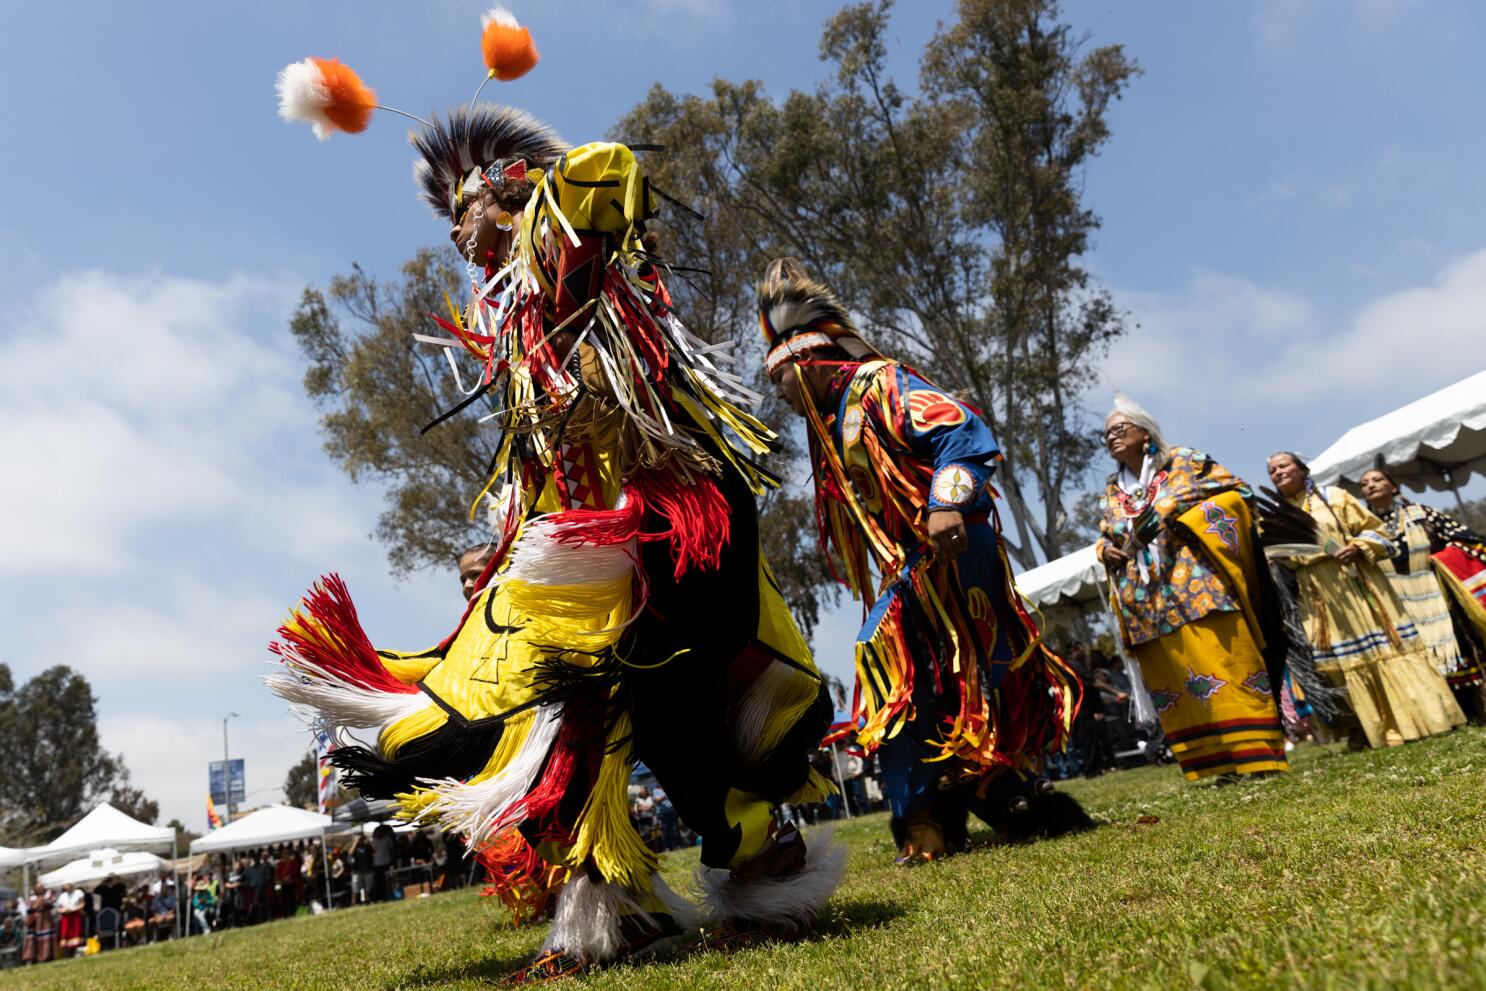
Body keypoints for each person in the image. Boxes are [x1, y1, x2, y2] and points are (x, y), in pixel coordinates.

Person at [271, 18, 843, 977]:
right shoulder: (514, 331)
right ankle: (617, 904)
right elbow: (541, 468)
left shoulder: (578, 260)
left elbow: (608, 173)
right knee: (551, 718)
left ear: (505, 192)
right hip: (583, 549)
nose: (457, 234)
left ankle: (755, 859)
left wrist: (529, 192)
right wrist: (506, 546)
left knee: (673, 706)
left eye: (464, 212)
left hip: (671, 524)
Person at [756, 257, 1088, 863]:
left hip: (951, 547)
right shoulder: (834, 420)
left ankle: (939, 809)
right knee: (932, 676)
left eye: (781, 380)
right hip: (915, 561)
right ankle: (989, 801)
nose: (779, 395)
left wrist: (946, 502)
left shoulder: (878, 384)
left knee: (904, 658)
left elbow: (961, 429)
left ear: (808, 365)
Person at [1096, 396, 1288, 781]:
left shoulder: (1184, 461)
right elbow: (1106, 531)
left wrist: (1175, 507)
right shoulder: (1114, 490)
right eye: (1107, 435)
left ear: (1145, 432)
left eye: (1119, 429)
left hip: (1198, 587)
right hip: (1146, 603)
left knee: (1225, 666)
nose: (1112, 438)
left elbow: (1237, 494)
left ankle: (1257, 758)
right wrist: (1104, 550)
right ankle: (1216, 764)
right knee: (1181, 682)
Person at [1264, 452, 1465, 747]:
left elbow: (1376, 530)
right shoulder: (1275, 516)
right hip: (1318, 593)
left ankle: (1425, 718)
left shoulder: (1334, 497)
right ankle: (1372, 731)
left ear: (1302, 469)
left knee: (1387, 646)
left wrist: (1358, 546)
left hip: (1358, 581)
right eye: (1271, 470)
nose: (1277, 472)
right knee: (1343, 658)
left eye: (1283, 466)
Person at [1360, 465, 1486, 718]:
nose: (1370, 485)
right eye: (1364, 483)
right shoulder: (1363, 528)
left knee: (1456, 643)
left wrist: (1440, 559)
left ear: (1393, 486)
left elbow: (1465, 539)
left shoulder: (1420, 513)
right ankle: (1438, 712)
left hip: (1435, 593)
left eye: (1377, 479)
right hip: (1394, 601)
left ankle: (1473, 705)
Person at [20, 883, 55, 964]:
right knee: (32, 939)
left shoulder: (48, 896)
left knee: (46, 938)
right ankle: (32, 957)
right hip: (34, 921)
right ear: (35, 889)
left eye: (41, 888)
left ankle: (47, 956)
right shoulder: (32, 898)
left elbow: (52, 904)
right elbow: (28, 908)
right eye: (38, 888)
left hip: (46, 920)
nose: (40, 889)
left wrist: (42, 901)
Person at [54, 882, 85, 955]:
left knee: (77, 932)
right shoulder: (62, 896)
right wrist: (64, 910)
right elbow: (58, 908)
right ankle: (67, 952)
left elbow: (82, 903)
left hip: (75, 915)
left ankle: (77, 951)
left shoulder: (78, 893)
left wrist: (74, 908)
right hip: (66, 917)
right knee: (65, 933)